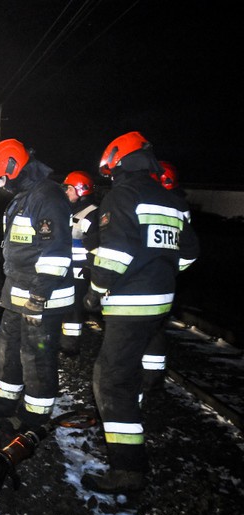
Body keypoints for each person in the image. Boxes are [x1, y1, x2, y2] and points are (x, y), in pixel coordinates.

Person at [81, 132, 199, 494]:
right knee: (130, 372)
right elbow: (190, 253)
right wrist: (158, 272)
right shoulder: (171, 199)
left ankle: (127, 470)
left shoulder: (123, 195)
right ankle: (131, 416)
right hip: (160, 304)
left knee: (111, 381)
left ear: (119, 162)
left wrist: (95, 292)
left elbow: (114, 254)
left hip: (129, 305)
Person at [0, 139, 74, 432]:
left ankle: (35, 417)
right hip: (17, 293)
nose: (2, 183)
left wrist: (38, 297)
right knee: (8, 350)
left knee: (37, 358)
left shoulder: (47, 198)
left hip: (41, 298)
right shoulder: (25, 197)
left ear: (14, 168)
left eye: (2, 176)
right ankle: (3, 403)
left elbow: (55, 253)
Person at [139, 161, 190, 395]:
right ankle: (153, 378)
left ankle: (146, 379)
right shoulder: (177, 204)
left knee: (143, 330)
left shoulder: (167, 204)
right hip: (164, 280)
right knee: (157, 328)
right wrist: (172, 268)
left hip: (150, 278)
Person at [59, 171, 100, 357]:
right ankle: (59, 341)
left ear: (81, 190)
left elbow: (97, 247)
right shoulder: (67, 210)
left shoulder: (92, 214)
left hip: (79, 272)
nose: (66, 192)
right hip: (63, 270)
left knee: (74, 312)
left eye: (70, 188)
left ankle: (70, 347)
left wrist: (90, 269)